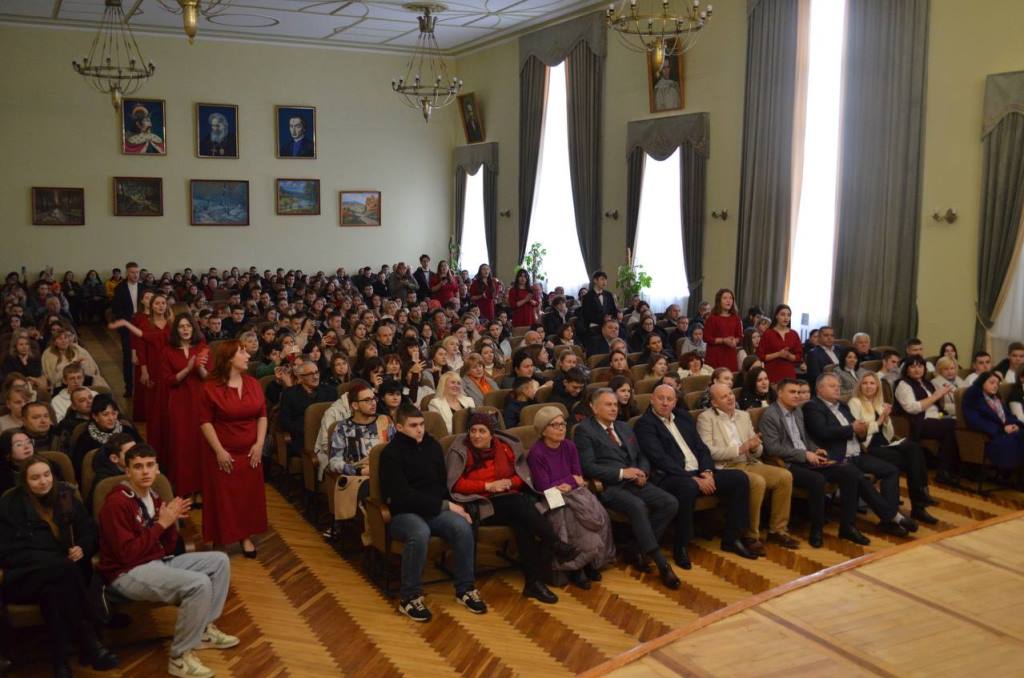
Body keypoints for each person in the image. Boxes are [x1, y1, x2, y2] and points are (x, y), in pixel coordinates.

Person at [97, 444, 239, 678]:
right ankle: (179, 658)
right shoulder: (117, 503)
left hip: (155, 562)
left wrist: (172, 523)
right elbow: (126, 555)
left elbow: (169, 547)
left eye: (150, 465)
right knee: (199, 584)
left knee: (219, 561)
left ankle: (203, 629)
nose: (145, 472)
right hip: (126, 573)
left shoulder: (153, 496)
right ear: (127, 472)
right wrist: (161, 524)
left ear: (157, 469)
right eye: (138, 467)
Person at [0, 456, 118, 677]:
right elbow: (9, 552)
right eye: (35, 478)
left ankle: (60, 661)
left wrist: (82, 547)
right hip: (23, 577)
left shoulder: (65, 497)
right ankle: (90, 642)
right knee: (66, 570)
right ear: (25, 481)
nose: (43, 481)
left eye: (47, 475)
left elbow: (90, 531)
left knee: (53, 594)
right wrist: (53, 560)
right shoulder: (10, 503)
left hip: (58, 578)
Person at [447, 412, 578, 603]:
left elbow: (522, 476)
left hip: (507, 500)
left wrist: (508, 482)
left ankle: (533, 583)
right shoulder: (461, 450)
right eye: (473, 431)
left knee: (522, 523)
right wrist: (487, 486)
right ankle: (554, 543)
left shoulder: (505, 448)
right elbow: (456, 484)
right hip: (479, 504)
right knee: (519, 504)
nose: (476, 435)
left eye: (482, 431)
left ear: (492, 434)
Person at [379, 404, 488, 622]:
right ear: (399, 427)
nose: (419, 429)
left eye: (421, 424)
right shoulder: (390, 453)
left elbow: (440, 485)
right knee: (419, 532)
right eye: (413, 426)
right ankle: (409, 598)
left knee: (461, 526)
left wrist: (451, 506)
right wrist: (445, 506)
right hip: (403, 513)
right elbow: (402, 496)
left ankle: (465, 589)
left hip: (432, 508)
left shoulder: (433, 446)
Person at [635, 384, 757, 568]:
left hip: (699, 471)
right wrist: (692, 478)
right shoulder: (645, 424)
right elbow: (660, 459)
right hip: (670, 476)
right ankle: (681, 546)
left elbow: (702, 448)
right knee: (688, 487)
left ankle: (732, 538)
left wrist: (707, 472)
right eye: (661, 398)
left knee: (739, 478)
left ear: (675, 401)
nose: (665, 403)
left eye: (670, 399)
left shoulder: (683, 417)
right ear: (651, 399)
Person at [574, 388, 681, 589]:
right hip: (610, 486)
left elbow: (641, 455)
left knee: (670, 502)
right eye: (608, 404)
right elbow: (587, 466)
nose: (614, 408)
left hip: (636, 481)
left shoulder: (624, 427)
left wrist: (642, 472)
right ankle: (661, 563)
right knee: (638, 506)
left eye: (615, 404)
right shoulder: (584, 430)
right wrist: (623, 473)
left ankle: (638, 549)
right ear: (593, 407)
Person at [759, 379, 871, 547]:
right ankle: (816, 529)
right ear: (780, 393)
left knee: (849, 472)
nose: (797, 396)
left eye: (798, 392)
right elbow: (773, 448)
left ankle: (848, 526)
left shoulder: (797, 411)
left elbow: (805, 438)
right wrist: (805, 454)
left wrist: (815, 449)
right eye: (792, 392)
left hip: (808, 458)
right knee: (817, 480)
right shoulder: (770, 415)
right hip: (788, 464)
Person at [804, 374, 917, 537]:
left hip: (857, 453)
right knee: (859, 477)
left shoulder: (842, 406)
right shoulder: (813, 407)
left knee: (891, 470)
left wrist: (862, 430)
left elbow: (859, 430)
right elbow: (822, 431)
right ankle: (893, 517)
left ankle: (888, 521)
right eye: (832, 386)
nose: (837, 388)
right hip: (838, 457)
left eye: (838, 385)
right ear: (819, 389)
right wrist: (852, 429)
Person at [697, 384, 800, 550]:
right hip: (726, 468)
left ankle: (777, 530)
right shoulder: (706, 418)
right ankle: (750, 536)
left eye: (730, 394)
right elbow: (708, 452)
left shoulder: (743, 416)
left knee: (784, 476)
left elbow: (757, 449)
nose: (730, 398)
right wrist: (740, 448)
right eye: (724, 397)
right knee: (757, 482)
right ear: (714, 403)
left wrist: (754, 447)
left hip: (748, 462)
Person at [527, 406, 613, 588]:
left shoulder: (569, 446)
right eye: (555, 425)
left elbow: (579, 477)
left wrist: (568, 482)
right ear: (543, 430)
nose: (561, 428)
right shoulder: (536, 453)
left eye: (563, 424)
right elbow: (544, 485)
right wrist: (569, 481)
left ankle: (590, 561)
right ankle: (575, 568)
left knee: (598, 513)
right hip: (550, 497)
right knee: (567, 519)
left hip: (575, 492)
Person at [198, 340, 268, 557]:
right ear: (229, 358)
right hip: (223, 452)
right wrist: (219, 450)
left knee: (247, 498)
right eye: (242, 352)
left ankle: (245, 537)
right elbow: (205, 422)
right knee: (222, 499)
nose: (248, 356)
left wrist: (259, 444)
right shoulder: (210, 387)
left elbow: (262, 416)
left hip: (250, 452)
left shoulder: (253, 383)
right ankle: (220, 541)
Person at [848, 373, 939, 524]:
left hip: (885, 445)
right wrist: (880, 420)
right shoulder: (855, 402)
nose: (869, 386)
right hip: (868, 447)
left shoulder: (879, 403)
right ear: (860, 386)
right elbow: (859, 431)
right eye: (865, 383)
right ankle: (919, 503)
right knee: (912, 459)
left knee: (914, 449)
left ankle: (909, 507)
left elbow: (889, 435)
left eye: (872, 383)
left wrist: (887, 420)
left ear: (877, 386)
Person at [161, 314, 208, 500]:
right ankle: (185, 489)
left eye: (188, 326)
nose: (186, 329)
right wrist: (188, 368)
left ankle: (201, 489)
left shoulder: (202, 348)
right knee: (182, 445)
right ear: (176, 330)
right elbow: (169, 380)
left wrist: (199, 368)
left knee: (200, 444)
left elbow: (209, 377)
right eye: (181, 326)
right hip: (179, 402)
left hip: (200, 400)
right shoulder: (167, 351)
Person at [894, 355, 960, 485]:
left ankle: (951, 469)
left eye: (920, 366)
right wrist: (935, 396)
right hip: (919, 421)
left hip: (936, 417)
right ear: (906, 369)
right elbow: (912, 408)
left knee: (956, 424)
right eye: (912, 367)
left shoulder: (926, 383)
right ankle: (945, 471)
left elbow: (937, 407)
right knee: (951, 426)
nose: (917, 370)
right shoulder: (903, 384)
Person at [962, 372, 1024, 470]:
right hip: (991, 437)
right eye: (992, 383)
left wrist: (1015, 424)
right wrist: (1002, 429)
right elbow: (976, 421)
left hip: (1005, 433)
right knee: (1015, 441)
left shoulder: (995, 398)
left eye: (997, 384)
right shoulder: (973, 397)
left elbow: (1008, 415)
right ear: (982, 382)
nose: (995, 386)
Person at [71, 394, 142, 479]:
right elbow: (79, 469)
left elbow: (143, 452)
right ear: (95, 416)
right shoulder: (85, 439)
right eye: (105, 414)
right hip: (102, 478)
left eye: (114, 413)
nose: (111, 418)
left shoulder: (128, 431)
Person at [279, 359, 336, 457]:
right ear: (300, 378)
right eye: (310, 374)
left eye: (316, 372)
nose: (315, 376)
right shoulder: (289, 394)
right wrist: (307, 429)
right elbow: (285, 422)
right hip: (303, 437)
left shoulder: (331, 391)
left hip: (329, 436)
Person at [111, 261, 141, 396]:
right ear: (127, 273)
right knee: (128, 358)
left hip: (143, 326)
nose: (135, 275)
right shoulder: (119, 288)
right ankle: (129, 387)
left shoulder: (145, 287)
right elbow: (117, 310)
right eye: (132, 272)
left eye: (137, 272)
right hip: (127, 327)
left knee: (144, 357)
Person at [88, 433, 136, 507]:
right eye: (129, 453)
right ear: (114, 458)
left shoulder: (141, 469)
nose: (136, 456)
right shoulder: (104, 480)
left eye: (136, 450)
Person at [757, 304, 802, 383]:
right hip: (772, 372)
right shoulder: (768, 333)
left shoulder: (794, 334)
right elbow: (760, 356)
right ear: (776, 316)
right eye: (782, 314)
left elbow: (799, 357)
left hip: (789, 372)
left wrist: (789, 356)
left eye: (788, 315)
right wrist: (778, 354)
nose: (786, 318)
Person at [703, 289, 743, 371]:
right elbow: (706, 338)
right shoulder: (712, 318)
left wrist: (735, 340)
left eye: (731, 298)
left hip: (730, 353)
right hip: (715, 354)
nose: (728, 301)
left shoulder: (736, 318)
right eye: (725, 298)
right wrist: (723, 340)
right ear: (719, 301)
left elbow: (740, 336)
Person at [0, 428, 37, 495]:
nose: (26, 447)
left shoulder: (49, 465)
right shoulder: (2, 475)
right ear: (7, 451)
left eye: (29, 442)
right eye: (19, 444)